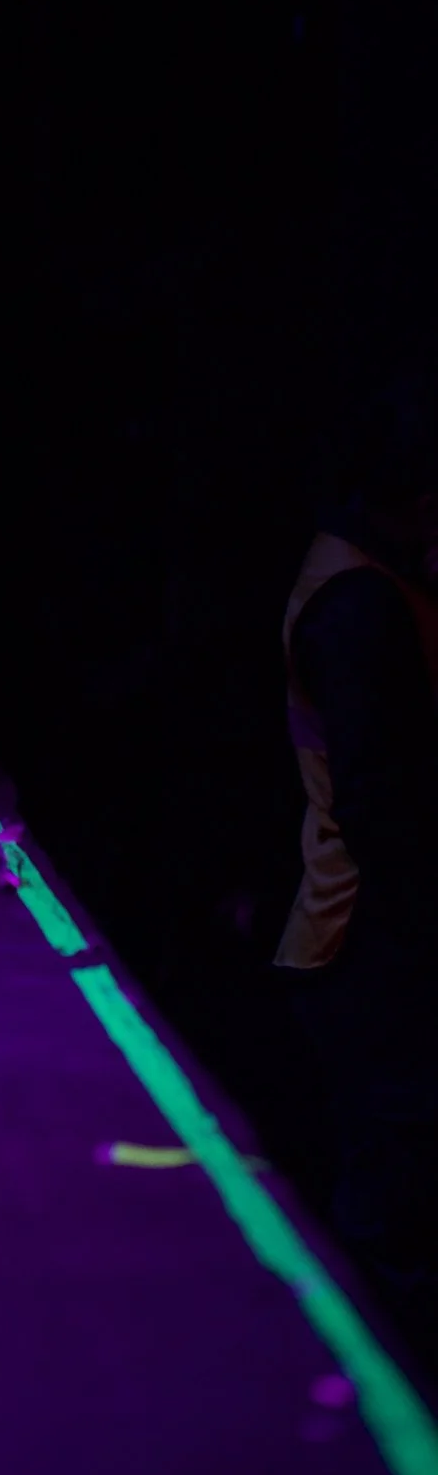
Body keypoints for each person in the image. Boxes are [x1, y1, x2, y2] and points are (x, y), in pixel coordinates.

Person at [275, 373, 438, 1345]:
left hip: (379, 932)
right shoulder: (358, 604)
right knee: (388, 1197)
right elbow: (383, 804)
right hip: (373, 940)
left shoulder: (376, 585)